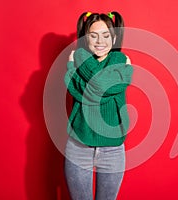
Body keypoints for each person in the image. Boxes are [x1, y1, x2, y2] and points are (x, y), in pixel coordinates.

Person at [64, 11, 133, 200]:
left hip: (112, 149)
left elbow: (95, 88)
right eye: (93, 35)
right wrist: (74, 70)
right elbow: (83, 90)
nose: (99, 41)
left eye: (106, 35)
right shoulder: (81, 57)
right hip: (78, 146)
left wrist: (73, 70)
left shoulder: (120, 60)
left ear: (115, 36)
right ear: (86, 38)